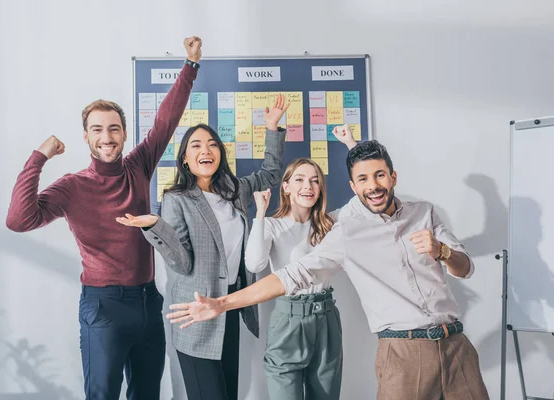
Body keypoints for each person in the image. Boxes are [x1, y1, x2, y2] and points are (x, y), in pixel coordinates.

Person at [166, 139, 490, 400]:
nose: (373, 186)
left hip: (451, 343)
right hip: (378, 344)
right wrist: (222, 303)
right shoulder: (334, 232)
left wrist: (442, 250)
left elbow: (464, 268)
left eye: (380, 175)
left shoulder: (398, 216)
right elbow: (280, 273)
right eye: (362, 179)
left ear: (393, 177)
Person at [5, 37, 202, 400]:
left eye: (113, 128)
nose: (106, 137)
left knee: (147, 394)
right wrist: (38, 157)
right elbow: (19, 220)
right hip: (103, 306)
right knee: (103, 394)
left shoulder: (139, 166)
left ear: (124, 133)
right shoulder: (72, 186)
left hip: (147, 300)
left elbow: (166, 121)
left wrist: (190, 64)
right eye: (97, 130)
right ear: (86, 137)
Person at [115, 94, 290, 400]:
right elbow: (181, 263)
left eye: (211, 144)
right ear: (185, 158)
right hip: (195, 313)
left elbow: (271, 174)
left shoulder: (236, 190)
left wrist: (273, 128)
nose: (205, 150)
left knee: (229, 394)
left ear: (219, 154)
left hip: (230, 306)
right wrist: (153, 226)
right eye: (196, 145)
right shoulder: (177, 200)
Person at [244, 127, 356, 400]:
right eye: (300, 180)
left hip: (326, 317)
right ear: (286, 187)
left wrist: (352, 144)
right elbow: (255, 264)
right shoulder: (271, 225)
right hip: (288, 319)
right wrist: (259, 214)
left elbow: (362, 201)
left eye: (315, 181)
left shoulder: (331, 223)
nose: (308, 186)